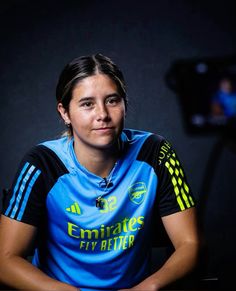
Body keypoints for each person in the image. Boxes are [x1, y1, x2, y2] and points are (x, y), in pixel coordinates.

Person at [0, 53, 200, 291]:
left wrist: (149, 288)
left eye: (112, 100)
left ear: (125, 104)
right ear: (65, 113)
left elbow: (190, 244)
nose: (102, 114)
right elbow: (5, 259)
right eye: (87, 104)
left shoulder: (156, 153)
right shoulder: (42, 163)